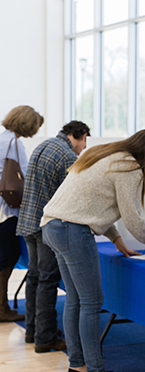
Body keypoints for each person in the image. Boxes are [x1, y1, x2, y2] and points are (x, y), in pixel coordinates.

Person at [40, 129, 145, 372]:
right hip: (73, 230)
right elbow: (132, 218)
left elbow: (92, 202)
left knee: (75, 299)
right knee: (92, 302)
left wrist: (117, 240)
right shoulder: (129, 166)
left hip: (53, 226)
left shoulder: (105, 154)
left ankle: (78, 365)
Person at [17, 121, 90, 353]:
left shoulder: (43, 145)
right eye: (85, 141)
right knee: (48, 280)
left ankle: (32, 330)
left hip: (28, 220)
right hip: (46, 224)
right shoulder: (67, 156)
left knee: (35, 277)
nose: (84, 147)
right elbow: (70, 198)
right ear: (79, 135)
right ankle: (45, 338)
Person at [0, 105, 44, 322]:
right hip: (7, 210)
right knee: (7, 257)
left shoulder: (2, 139)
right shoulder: (14, 143)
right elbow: (27, 176)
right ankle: (1, 307)